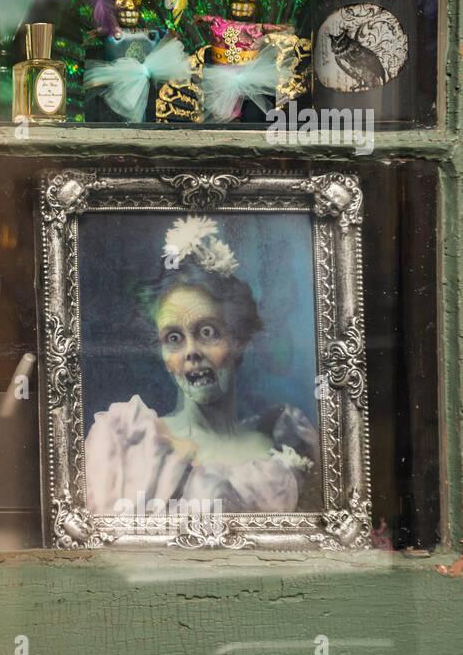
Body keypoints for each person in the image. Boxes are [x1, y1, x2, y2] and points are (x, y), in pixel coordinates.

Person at [84, 216, 319, 515]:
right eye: (173, 338)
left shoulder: (284, 452)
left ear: (239, 339)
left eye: (207, 332)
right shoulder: (125, 441)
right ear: (164, 357)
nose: (191, 352)